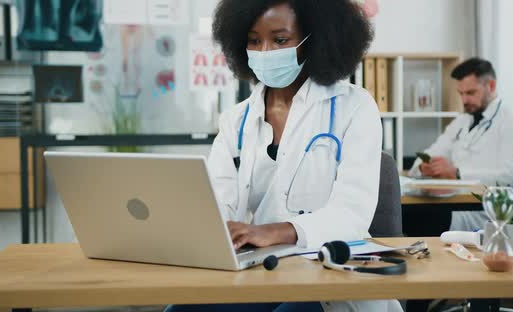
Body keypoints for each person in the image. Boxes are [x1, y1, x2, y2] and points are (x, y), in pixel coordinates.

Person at [165, 0, 402, 311]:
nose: (265, 52)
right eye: (253, 40)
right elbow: (219, 202)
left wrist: (275, 231)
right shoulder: (236, 120)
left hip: (328, 273)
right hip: (262, 269)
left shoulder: (354, 107)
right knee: (181, 308)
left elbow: (352, 213)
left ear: (313, 40)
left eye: (280, 40)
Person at [408, 58, 513, 231]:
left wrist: (457, 173)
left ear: (491, 86)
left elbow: (509, 178)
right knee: (404, 211)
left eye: (470, 92)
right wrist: (423, 167)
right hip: (451, 202)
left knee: (413, 216)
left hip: (486, 213)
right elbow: (433, 152)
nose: (464, 100)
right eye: (461, 93)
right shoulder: (462, 121)